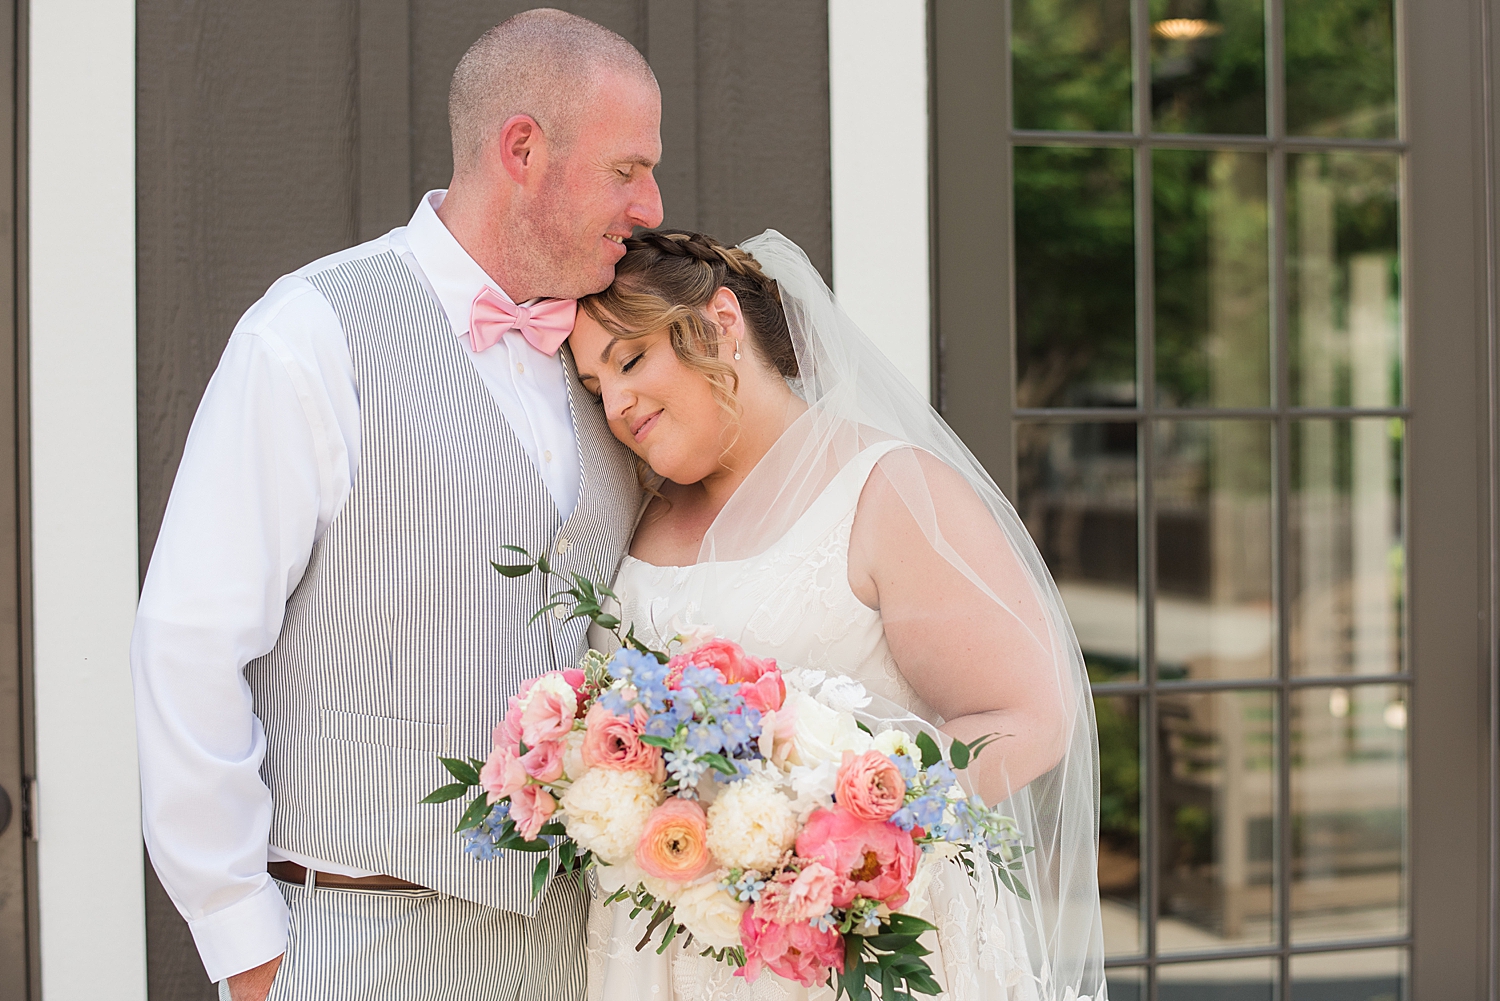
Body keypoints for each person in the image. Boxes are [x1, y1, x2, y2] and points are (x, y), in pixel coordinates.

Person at [130, 10, 661, 1001]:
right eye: (628, 168)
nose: (651, 202)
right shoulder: (311, 333)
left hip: (578, 949)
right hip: (357, 937)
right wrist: (247, 946)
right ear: (524, 150)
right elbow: (187, 644)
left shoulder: (614, 356)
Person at [568, 230, 1108, 1000]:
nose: (617, 405)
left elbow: (1030, 716)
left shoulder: (885, 492)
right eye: (595, 388)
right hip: (661, 952)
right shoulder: (641, 510)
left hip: (842, 945)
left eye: (630, 361)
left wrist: (832, 827)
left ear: (723, 321)